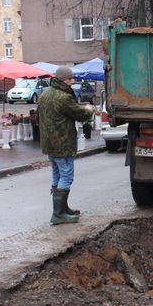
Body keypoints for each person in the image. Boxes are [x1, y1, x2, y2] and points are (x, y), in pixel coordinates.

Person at [38, 66, 95, 225]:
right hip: (62, 143)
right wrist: (89, 109)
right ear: (64, 80)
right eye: (70, 79)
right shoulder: (63, 97)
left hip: (49, 143)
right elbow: (79, 113)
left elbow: (38, 117)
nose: (73, 81)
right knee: (66, 176)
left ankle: (62, 209)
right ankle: (58, 214)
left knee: (57, 175)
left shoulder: (45, 94)